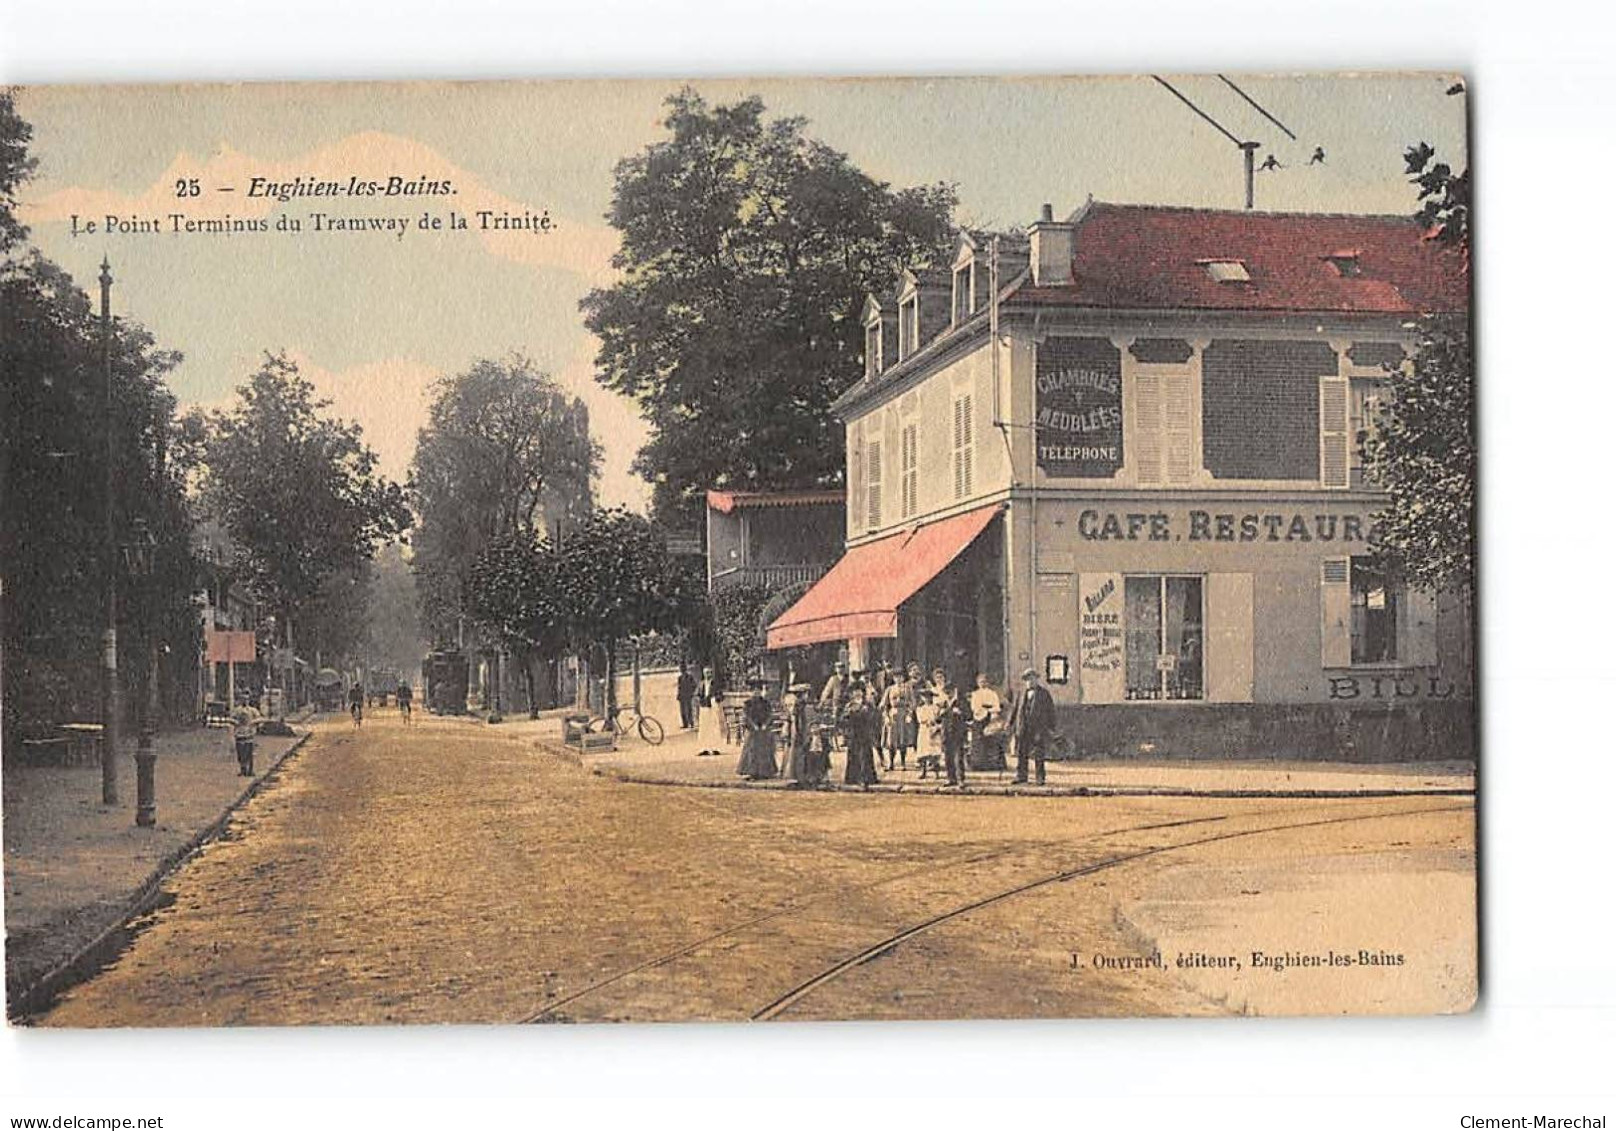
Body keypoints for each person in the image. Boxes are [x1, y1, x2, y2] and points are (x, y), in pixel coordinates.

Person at [1005, 667, 1056, 785]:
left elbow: (1051, 711)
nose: (1030, 682)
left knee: (1039, 754)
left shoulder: (1044, 694)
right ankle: (1021, 776)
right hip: (1023, 727)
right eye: (1027, 679)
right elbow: (1014, 709)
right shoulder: (1020, 693)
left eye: (1032, 679)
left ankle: (1040, 778)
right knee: (1022, 753)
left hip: (1038, 728)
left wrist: (1051, 727)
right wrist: (1009, 723)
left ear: (1037, 680)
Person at [838, 684, 881, 790]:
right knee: (853, 754)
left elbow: (874, 717)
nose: (857, 693)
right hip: (853, 733)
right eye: (854, 692)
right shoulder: (849, 705)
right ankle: (852, 777)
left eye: (860, 691)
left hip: (864, 733)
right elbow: (842, 720)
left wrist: (866, 714)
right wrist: (847, 717)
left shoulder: (868, 705)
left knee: (864, 755)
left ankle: (865, 778)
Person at [737, 681, 778, 780]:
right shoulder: (748, 704)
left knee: (765, 749)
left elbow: (770, 715)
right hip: (752, 730)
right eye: (754, 691)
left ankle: (766, 772)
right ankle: (752, 772)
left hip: (764, 729)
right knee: (752, 750)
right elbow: (746, 716)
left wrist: (765, 724)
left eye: (758, 691)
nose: (756, 693)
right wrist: (753, 725)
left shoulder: (766, 703)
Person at [880, 666, 918, 771]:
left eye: (900, 677)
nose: (898, 679)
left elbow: (913, 702)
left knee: (903, 741)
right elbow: (883, 705)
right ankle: (891, 762)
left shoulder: (908, 688)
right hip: (893, 715)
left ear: (903, 678)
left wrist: (910, 714)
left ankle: (903, 762)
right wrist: (886, 716)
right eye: (896, 677)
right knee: (891, 741)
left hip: (904, 715)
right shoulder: (890, 689)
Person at [968, 672, 1006, 771]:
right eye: (981, 682)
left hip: (990, 718)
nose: (983, 684)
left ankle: (991, 763)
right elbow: (974, 707)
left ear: (988, 683)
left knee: (991, 741)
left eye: (984, 682)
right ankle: (978, 764)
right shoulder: (975, 694)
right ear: (977, 683)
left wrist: (989, 710)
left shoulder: (992, 694)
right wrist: (982, 710)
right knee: (978, 741)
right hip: (979, 718)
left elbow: (997, 707)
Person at [782, 682, 817, 786]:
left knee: (800, 753)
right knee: (799, 753)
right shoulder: (798, 706)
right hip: (798, 730)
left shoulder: (802, 706)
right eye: (805, 694)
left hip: (800, 730)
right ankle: (799, 776)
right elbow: (798, 721)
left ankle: (801, 776)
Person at [939, 682, 970, 787]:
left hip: (958, 734)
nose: (948, 695)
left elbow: (969, 716)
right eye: (946, 693)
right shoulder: (944, 703)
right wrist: (940, 714)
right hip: (946, 733)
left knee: (958, 758)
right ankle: (950, 778)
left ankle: (960, 779)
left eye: (950, 692)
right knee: (948, 757)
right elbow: (938, 720)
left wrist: (960, 712)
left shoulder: (961, 702)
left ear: (954, 691)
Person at [695, 667, 727, 756]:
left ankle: (715, 748)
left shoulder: (715, 684)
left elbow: (721, 695)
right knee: (704, 727)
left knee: (714, 727)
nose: (707, 674)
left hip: (713, 707)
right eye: (706, 673)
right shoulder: (701, 684)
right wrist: (700, 701)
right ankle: (703, 748)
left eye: (709, 673)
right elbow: (697, 695)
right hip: (704, 707)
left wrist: (716, 699)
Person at [913, 687, 941, 777]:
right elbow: (920, 719)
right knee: (924, 752)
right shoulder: (920, 708)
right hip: (924, 730)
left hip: (933, 730)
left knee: (934, 752)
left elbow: (938, 717)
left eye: (929, 697)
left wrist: (934, 722)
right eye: (925, 697)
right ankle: (923, 772)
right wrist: (927, 721)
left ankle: (936, 773)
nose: (927, 699)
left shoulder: (936, 707)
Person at [230, 704, 259, 777]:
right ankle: (243, 770)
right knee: (241, 754)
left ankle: (250, 771)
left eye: (246, 698)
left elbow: (259, 719)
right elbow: (231, 719)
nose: (245, 700)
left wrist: (254, 724)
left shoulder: (253, 710)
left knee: (249, 754)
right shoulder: (236, 711)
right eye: (243, 697)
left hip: (249, 735)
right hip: (239, 735)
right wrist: (235, 723)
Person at [676, 662, 696, 730]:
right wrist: (678, 694)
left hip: (687, 695)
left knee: (689, 709)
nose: (681, 670)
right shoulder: (680, 678)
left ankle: (691, 723)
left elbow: (694, 685)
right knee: (682, 710)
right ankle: (685, 724)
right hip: (682, 695)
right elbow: (679, 687)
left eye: (682, 668)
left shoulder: (689, 677)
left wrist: (691, 692)